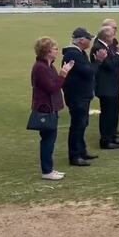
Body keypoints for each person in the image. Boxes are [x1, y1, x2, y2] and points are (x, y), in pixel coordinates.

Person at [62, 28, 107, 166]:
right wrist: (98, 61)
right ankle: (75, 155)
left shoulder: (79, 53)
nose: (90, 41)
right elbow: (88, 72)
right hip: (77, 95)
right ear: (81, 40)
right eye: (88, 39)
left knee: (82, 124)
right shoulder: (73, 54)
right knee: (78, 125)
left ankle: (81, 151)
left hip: (81, 95)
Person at [31, 37, 74, 179]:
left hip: (51, 107)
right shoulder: (40, 68)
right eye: (55, 49)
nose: (57, 51)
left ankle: (49, 169)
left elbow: (55, 84)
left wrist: (61, 73)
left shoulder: (49, 66)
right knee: (48, 140)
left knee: (50, 139)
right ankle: (47, 171)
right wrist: (63, 74)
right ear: (47, 51)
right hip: (45, 108)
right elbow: (52, 87)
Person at [91, 26, 119, 150]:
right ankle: (105, 140)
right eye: (112, 35)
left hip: (112, 85)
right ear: (106, 37)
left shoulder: (107, 46)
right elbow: (111, 65)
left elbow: (116, 62)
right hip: (106, 87)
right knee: (107, 114)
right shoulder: (99, 47)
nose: (114, 37)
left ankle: (112, 136)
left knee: (113, 113)